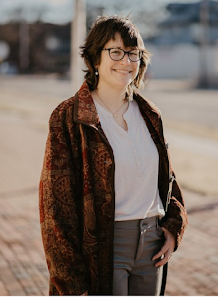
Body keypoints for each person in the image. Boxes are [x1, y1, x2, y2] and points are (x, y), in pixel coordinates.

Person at [39, 15, 188, 296]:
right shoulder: (68, 117)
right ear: (95, 58)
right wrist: (70, 281)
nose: (126, 61)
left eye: (133, 53)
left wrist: (173, 225)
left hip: (152, 246)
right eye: (116, 52)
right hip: (100, 248)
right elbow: (55, 209)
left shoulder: (150, 114)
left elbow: (166, 178)